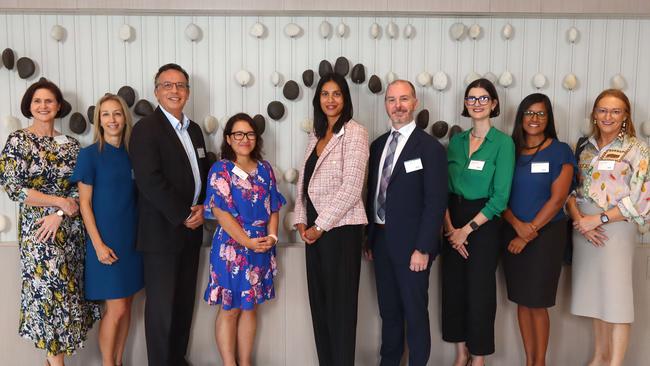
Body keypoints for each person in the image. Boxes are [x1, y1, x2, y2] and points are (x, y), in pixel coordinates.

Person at [0, 79, 100, 366]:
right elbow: (12, 187)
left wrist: (60, 212)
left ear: (58, 106)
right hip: (38, 231)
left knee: (68, 296)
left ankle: (52, 361)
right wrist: (56, 203)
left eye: (49, 101)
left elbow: (76, 189)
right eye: (37, 101)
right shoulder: (19, 140)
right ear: (29, 107)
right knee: (49, 294)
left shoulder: (70, 144)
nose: (43, 106)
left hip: (69, 229)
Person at [129, 63, 209, 366]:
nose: (174, 91)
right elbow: (149, 179)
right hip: (162, 234)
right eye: (168, 85)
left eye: (180, 85)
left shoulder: (195, 129)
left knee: (183, 305)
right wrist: (182, 214)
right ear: (156, 91)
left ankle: (177, 360)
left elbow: (200, 174)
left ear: (187, 92)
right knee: (161, 309)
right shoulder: (146, 129)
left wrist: (202, 208)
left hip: (191, 231)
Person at [365, 79, 448, 366]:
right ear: (386, 104)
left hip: (413, 248)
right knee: (389, 313)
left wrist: (423, 248)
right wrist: (369, 239)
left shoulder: (430, 148)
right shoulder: (377, 146)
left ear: (415, 103)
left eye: (403, 99)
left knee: (414, 313)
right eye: (392, 100)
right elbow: (371, 193)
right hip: (381, 243)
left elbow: (436, 203)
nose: (397, 106)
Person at [566, 89, 649, 366]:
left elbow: (642, 198)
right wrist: (581, 220)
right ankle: (599, 357)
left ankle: (615, 363)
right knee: (595, 297)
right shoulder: (584, 147)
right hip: (584, 231)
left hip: (615, 228)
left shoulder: (637, 149)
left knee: (617, 299)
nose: (608, 116)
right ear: (594, 114)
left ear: (625, 115)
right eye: (602, 110)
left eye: (615, 111)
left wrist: (598, 220)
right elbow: (573, 190)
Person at [293, 73, 369, 366]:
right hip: (313, 232)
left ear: (346, 99)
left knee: (341, 310)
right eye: (325, 94)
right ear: (318, 100)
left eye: (337, 93)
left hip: (340, 230)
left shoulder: (355, 132)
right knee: (320, 306)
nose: (330, 99)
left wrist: (319, 226)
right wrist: (301, 219)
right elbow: (304, 182)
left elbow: (351, 187)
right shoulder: (316, 134)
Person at [443, 78, 515, 366]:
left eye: (483, 98)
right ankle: (461, 353)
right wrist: (451, 230)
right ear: (465, 104)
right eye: (471, 98)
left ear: (494, 104)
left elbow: (500, 198)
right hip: (452, 219)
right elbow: (442, 190)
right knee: (454, 288)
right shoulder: (456, 142)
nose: (477, 103)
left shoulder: (503, 143)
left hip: (483, 224)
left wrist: (467, 231)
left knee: (480, 291)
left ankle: (479, 356)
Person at [203, 113, 285, 366]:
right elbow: (221, 213)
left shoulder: (265, 169)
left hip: (261, 245)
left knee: (250, 307)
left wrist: (272, 235)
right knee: (230, 307)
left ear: (256, 138)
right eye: (238, 134)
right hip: (231, 247)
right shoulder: (220, 169)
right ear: (228, 138)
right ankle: (229, 363)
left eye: (249, 134)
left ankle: (245, 362)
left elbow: (274, 206)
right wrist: (246, 241)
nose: (244, 139)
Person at [502, 93, 575, 366]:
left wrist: (529, 231)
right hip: (512, 232)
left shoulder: (560, 151)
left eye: (541, 114)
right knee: (521, 300)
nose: (534, 119)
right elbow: (499, 195)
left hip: (546, 236)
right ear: (521, 117)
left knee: (537, 302)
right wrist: (517, 227)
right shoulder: (510, 150)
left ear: (549, 118)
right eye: (529, 113)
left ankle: (539, 362)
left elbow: (558, 199)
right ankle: (528, 360)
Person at [70, 94, 143, 366]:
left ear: (125, 118)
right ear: (98, 120)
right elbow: (85, 205)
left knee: (127, 308)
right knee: (117, 307)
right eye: (106, 114)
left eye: (117, 114)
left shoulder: (134, 154)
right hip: (105, 241)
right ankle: (108, 363)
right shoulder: (89, 156)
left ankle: (119, 361)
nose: (112, 120)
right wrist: (98, 245)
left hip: (133, 241)